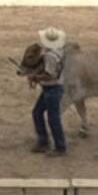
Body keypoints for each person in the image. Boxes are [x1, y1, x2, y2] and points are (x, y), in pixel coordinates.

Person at [29, 27, 67, 157]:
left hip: (52, 88)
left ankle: (59, 147)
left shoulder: (50, 55)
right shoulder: (58, 51)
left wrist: (35, 77)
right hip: (54, 87)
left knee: (52, 118)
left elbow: (49, 75)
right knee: (38, 113)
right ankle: (44, 142)